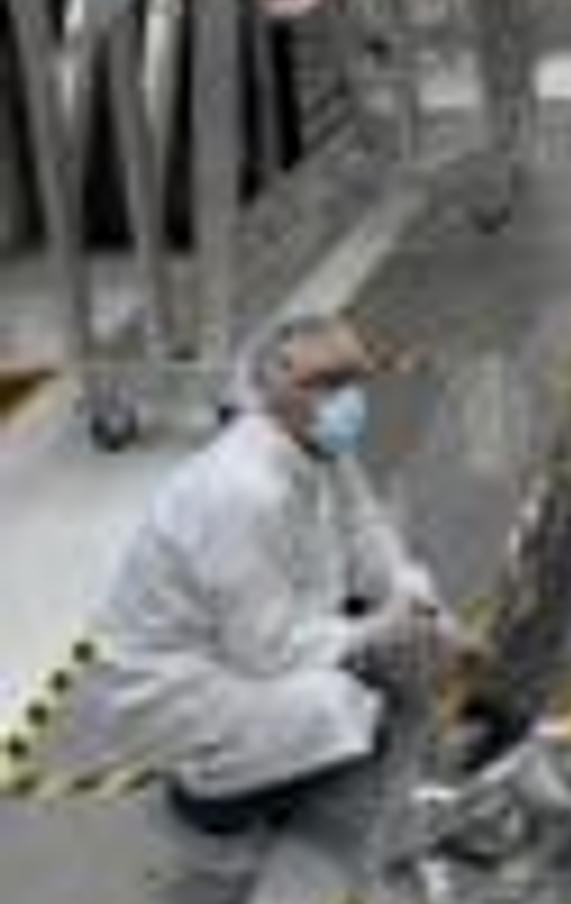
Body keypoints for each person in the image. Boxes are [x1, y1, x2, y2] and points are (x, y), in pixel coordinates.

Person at [87, 314, 445, 838]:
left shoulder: (318, 444)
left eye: (352, 380)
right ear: (272, 392)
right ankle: (214, 793)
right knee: (340, 711)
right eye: (323, 383)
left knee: (382, 659)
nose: (345, 398)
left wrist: (407, 587)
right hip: (178, 683)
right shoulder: (240, 491)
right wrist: (375, 632)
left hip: (250, 628)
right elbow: (266, 649)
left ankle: (273, 750)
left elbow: (364, 526)